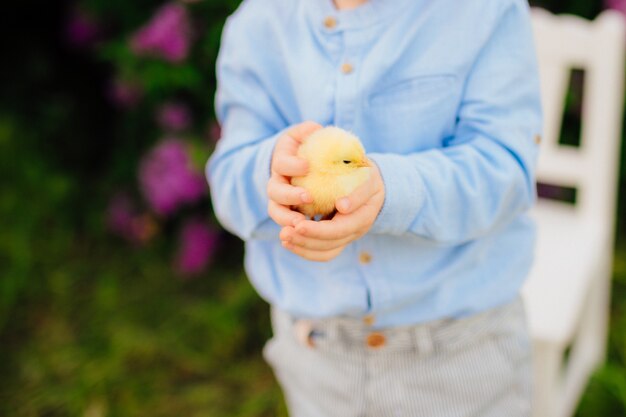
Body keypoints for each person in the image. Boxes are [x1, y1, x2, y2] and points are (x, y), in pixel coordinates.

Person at [206, 0, 542, 415]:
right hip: (317, 358)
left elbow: (504, 171)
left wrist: (391, 190)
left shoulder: (484, 11)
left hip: (461, 353)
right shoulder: (257, 24)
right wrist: (271, 176)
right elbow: (228, 180)